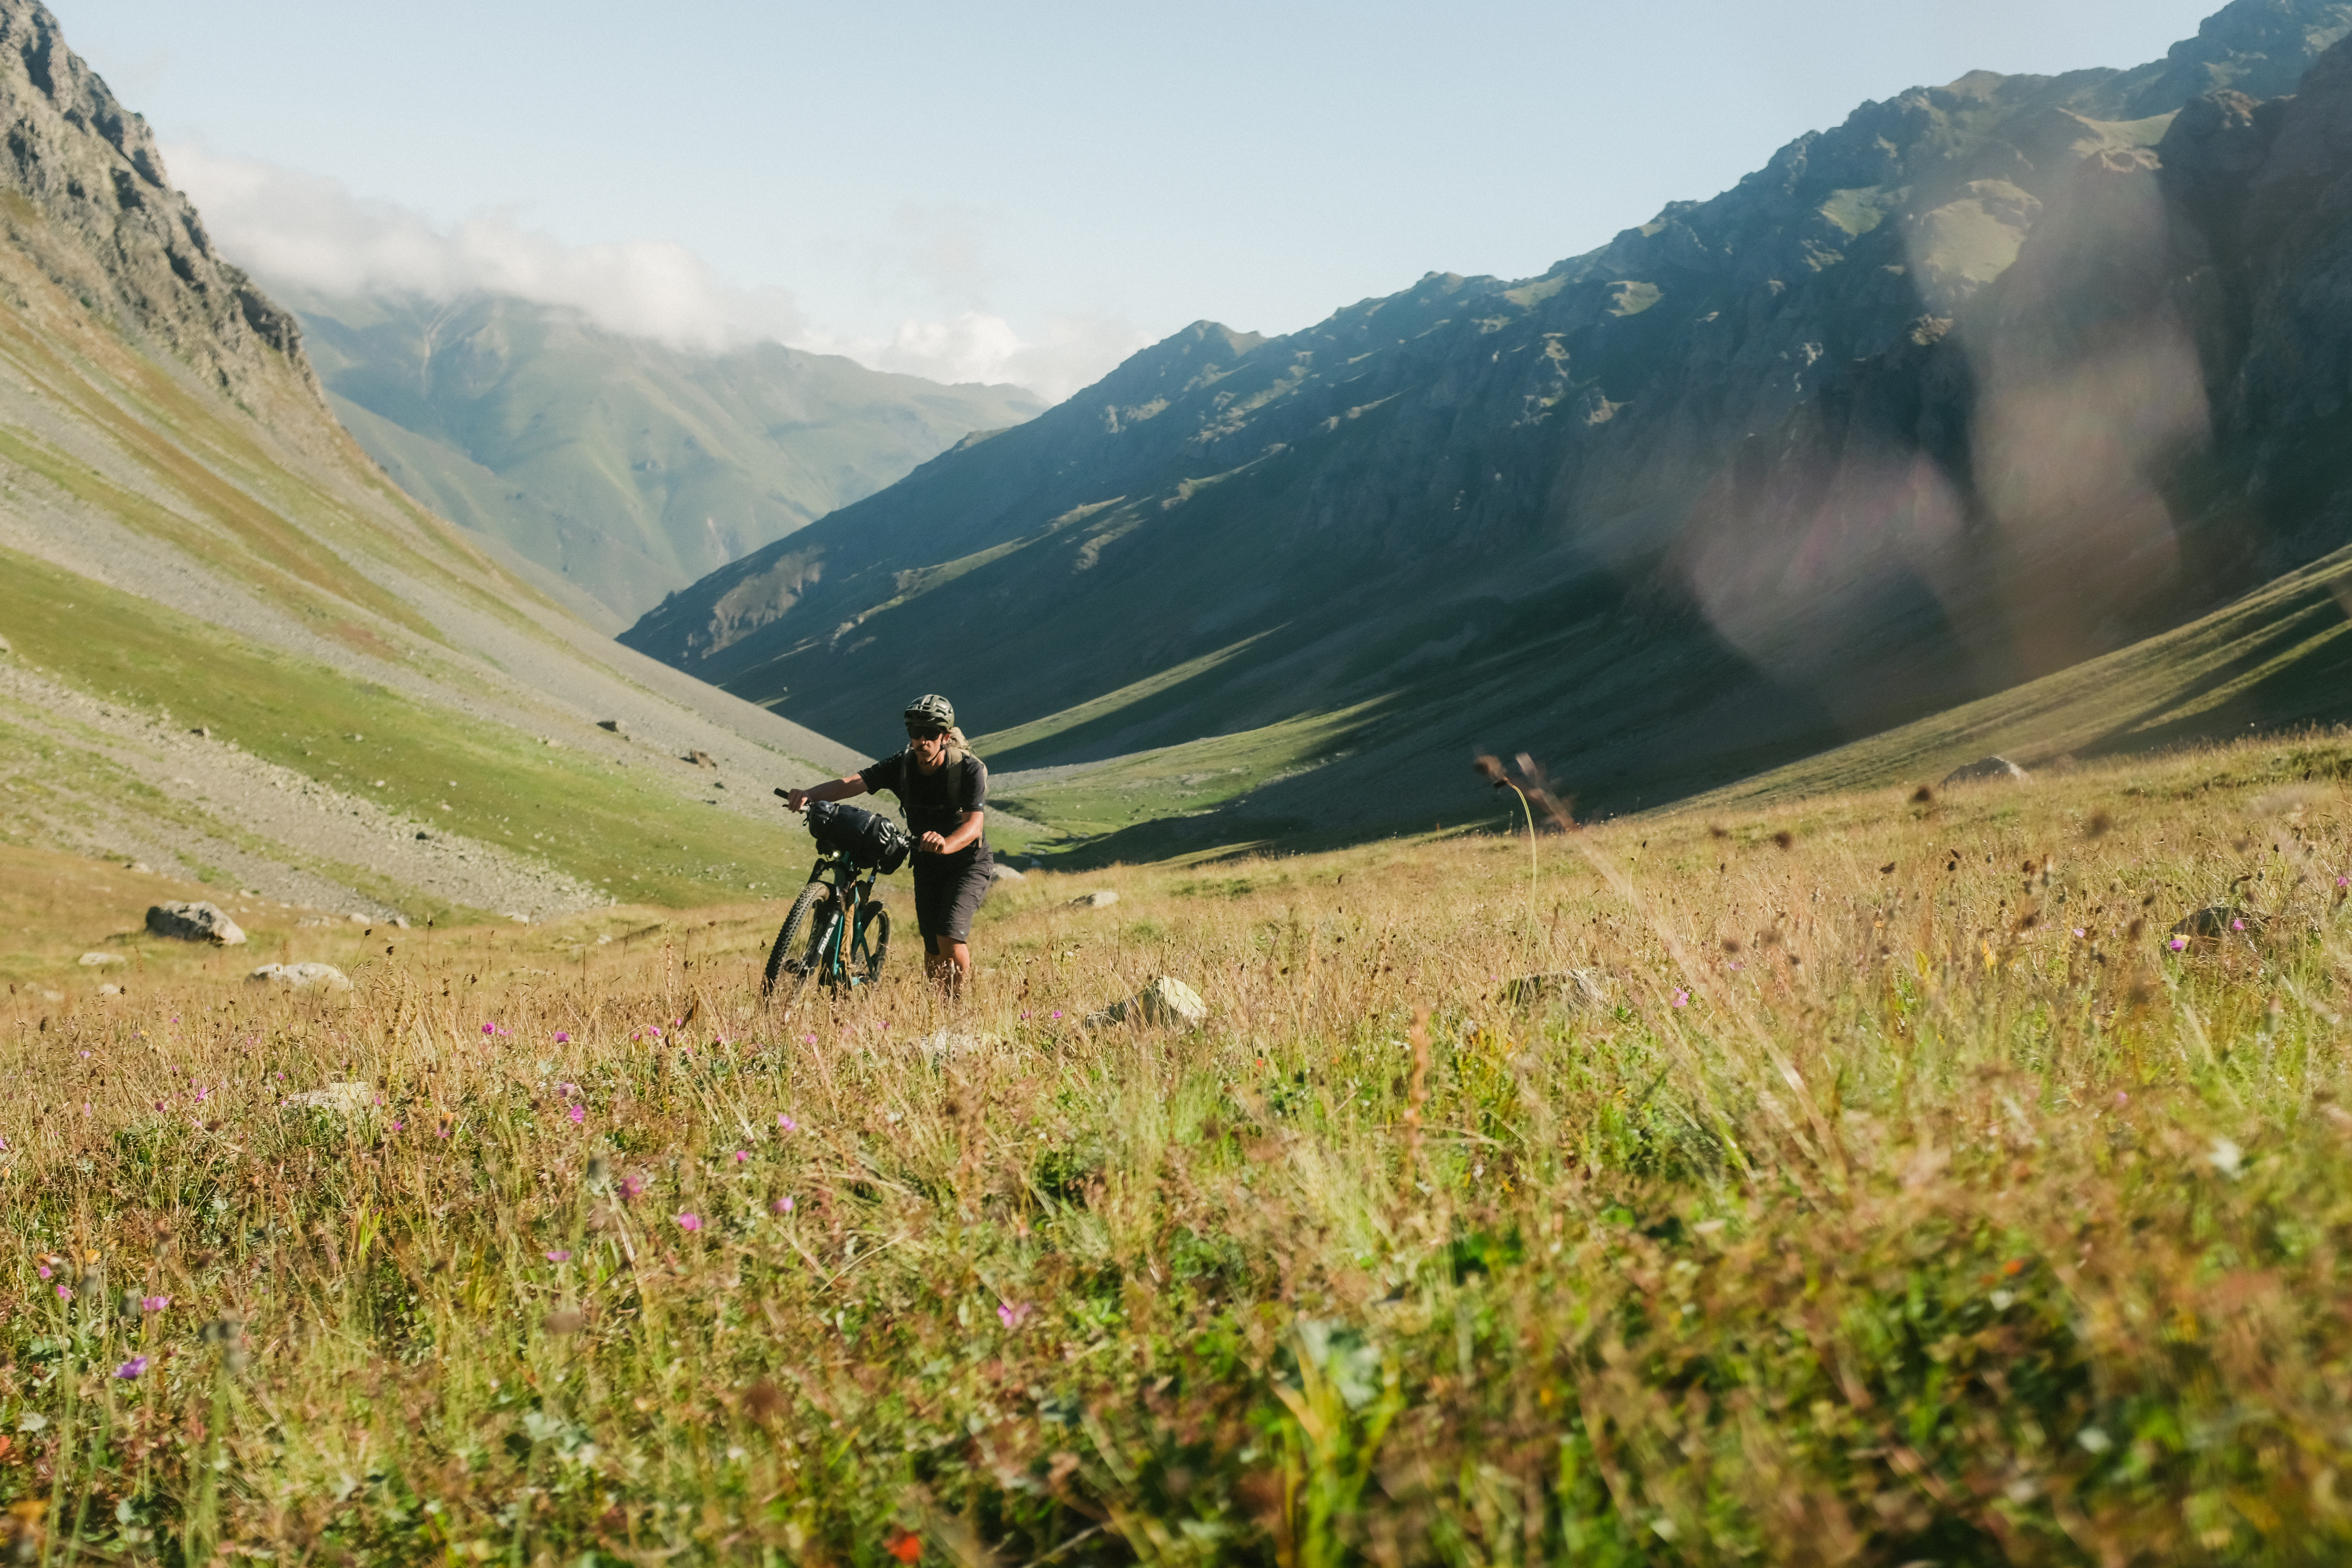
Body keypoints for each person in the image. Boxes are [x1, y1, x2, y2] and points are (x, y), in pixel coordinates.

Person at [784, 693, 992, 996]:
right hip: (926, 862)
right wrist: (811, 795)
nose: (922, 741)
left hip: (966, 864)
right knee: (932, 947)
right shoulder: (904, 764)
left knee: (949, 937)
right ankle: (938, 1009)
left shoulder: (969, 770)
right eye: (915, 733)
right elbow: (856, 782)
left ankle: (958, 1013)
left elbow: (974, 826)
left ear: (945, 737)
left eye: (931, 734)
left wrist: (945, 844)